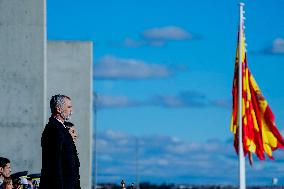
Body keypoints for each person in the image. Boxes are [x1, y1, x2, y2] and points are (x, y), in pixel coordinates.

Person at [39, 94, 80, 189]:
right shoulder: (54, 129)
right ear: (58, 109)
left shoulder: (61, 128)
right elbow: (54, 164)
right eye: (69, 107)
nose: (71, 111)